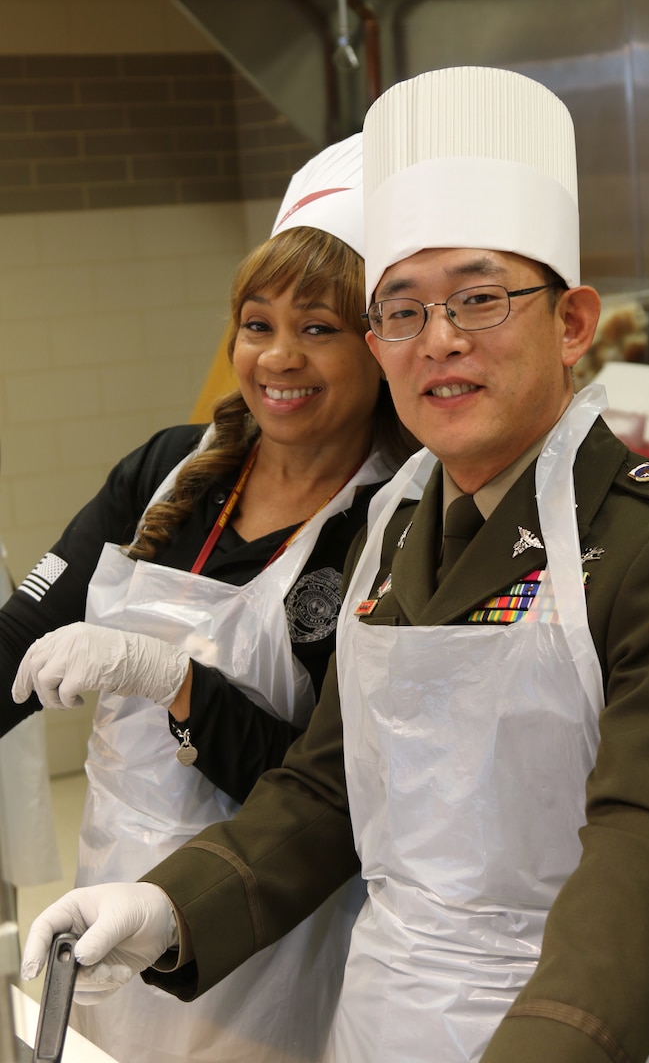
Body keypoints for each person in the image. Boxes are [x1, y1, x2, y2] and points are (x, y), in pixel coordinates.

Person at [20, 66, 649, 1063]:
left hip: (581, 1027)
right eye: (402, 310)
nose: (439, 341)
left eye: (479, 298)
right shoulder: (397, 532)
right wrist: (165, 905)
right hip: (380, 1019)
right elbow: (326, 790)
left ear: (570, 326)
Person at [5, 134, 416, 1063]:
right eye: (257, 323)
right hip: (109, 900)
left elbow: (334, 792)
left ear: (379, 345)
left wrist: (171, 680)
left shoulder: (396, 524)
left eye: (319, 328)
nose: (278, 357)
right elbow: (21, 638)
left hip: (272, 942)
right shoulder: (168, 470)